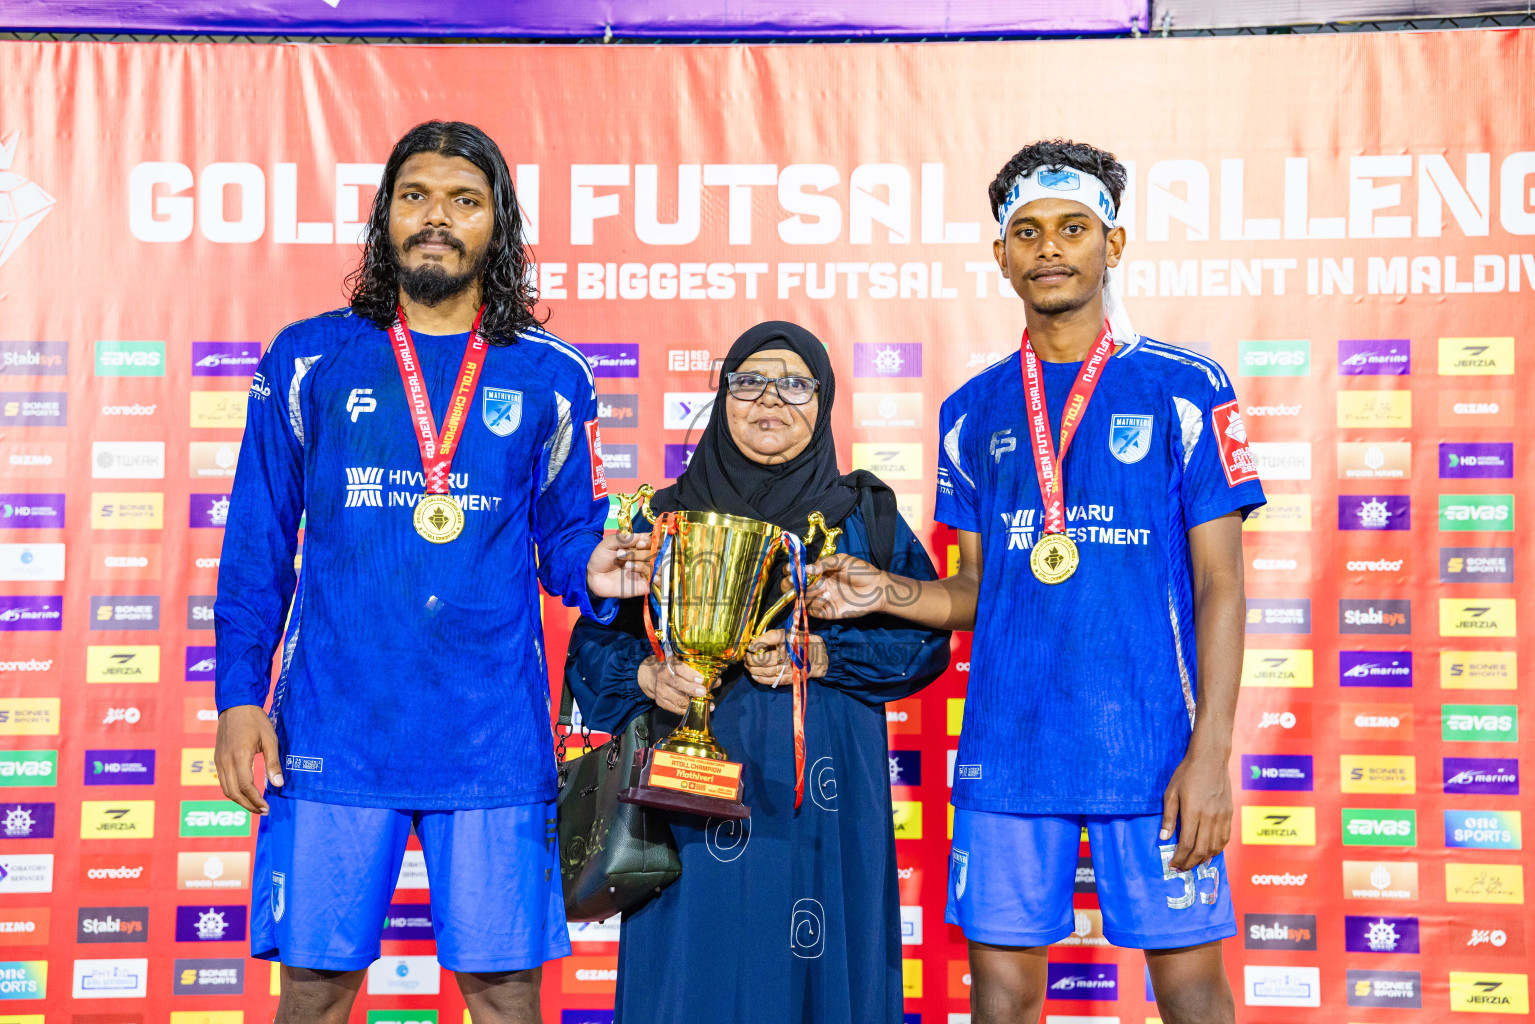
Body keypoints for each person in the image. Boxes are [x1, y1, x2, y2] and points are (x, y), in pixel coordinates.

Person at [807, 139, 1265, 1024]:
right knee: (1005, 997)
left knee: (1191, 990)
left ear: (1113, 245)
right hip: (1010, 749)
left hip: (1154, 748)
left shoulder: (1185, 387)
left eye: (1072, 228)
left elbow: (1220, 583)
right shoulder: (971, 410)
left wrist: (1209, 753)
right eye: (1026, 232)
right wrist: (884, 592)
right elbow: (976, 590)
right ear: (1000, 255)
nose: (1048, 247)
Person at [213, 121, 643, 1024]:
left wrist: (599, 569)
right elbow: (258, 545)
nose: (435, 219)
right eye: (415, 197)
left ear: (498, 223)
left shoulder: (551, 375)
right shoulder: (307, 358)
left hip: (490, 734)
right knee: (316, 992)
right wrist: (239, 700)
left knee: (505, 994)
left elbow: (566, 542)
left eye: (462, 200)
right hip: (332, 726)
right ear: (384, 218)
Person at [565, 321, 950, 1024]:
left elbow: (926, 646)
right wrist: (649, 678)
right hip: (683, 795)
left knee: (821, 969)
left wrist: (828, 656)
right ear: (722, 396)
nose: (769, 399)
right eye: (748, 381)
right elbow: (589, 656)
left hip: (822, 788)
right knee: (694, 971)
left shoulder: (865, 513)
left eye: (794, 384)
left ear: (823, 399)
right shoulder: (664, 516)